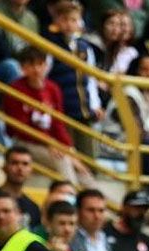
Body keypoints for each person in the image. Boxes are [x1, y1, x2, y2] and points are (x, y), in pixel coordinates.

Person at [1, 46, 95, 188]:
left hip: (50, 142)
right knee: (62, 160)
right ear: (22, 68)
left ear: (46, 66)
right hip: (25, 141)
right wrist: (50, 144)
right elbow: (20, 128)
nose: (37, 69)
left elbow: (58, 124)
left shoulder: (53, 89)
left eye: (40, 64)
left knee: (82, 170)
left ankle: (101, 202)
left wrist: (70, 150)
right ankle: (71, 201)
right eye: (31, 65)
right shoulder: (15, 90)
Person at [46, 0, 104, 158]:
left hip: (84, 109)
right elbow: (46, 77)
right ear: (56, 21)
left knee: (88, 154)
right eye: (65, 20)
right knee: (67, 152)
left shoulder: (85, 47)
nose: (69, 24)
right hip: (63, 110)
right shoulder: (51, 45)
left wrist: (95, 104)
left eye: (74, 20)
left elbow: (91, 78)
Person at [0, 145, 43, 245]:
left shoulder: (33, 207)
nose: (20, 168)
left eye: (25, 164)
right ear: (4, 167)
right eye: (15, 163)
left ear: (31, 170)